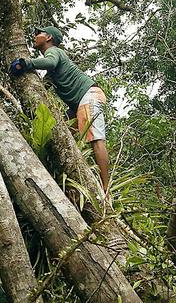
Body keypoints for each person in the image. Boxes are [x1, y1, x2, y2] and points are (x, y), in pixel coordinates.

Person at [9, 25, 111, 199]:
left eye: (38, 33)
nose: (35, 36)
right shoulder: (52, 68)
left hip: (87, 95)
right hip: (77, 104)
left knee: (95, 139)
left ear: (49, 38)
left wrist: (26, 63)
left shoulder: (54, 52)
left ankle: (106, 189)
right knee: (64, 138)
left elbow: (50, 62)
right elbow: (45, 86)